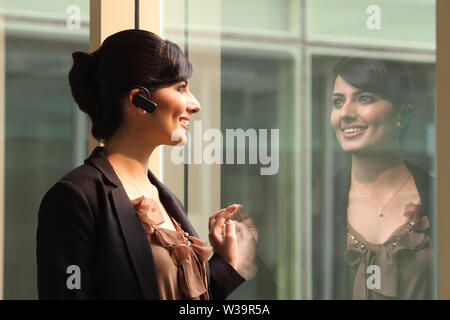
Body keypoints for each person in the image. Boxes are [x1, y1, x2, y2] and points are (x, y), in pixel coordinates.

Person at [36, 29, 254, 299]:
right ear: (140, 101)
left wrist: (225, 263)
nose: (194, 104)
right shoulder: (76, 197)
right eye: (181, 88)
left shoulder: (164, 197)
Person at [329, 57, 435, 299]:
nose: (345, 113)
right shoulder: (315, 203)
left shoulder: (437, 197)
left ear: (403, 114)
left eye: (365, 98)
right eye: (338, 102)